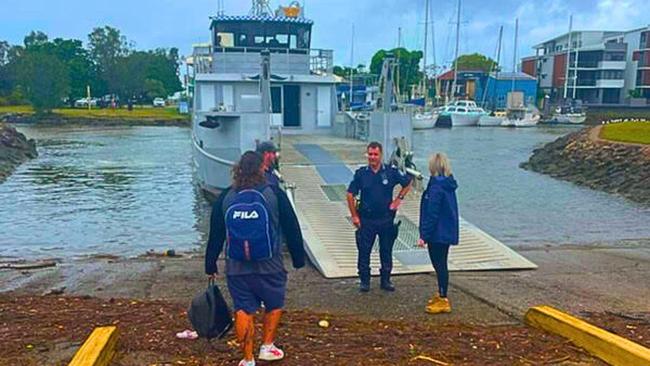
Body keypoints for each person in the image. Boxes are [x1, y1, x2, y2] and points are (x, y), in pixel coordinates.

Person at [205, 151, 305, 366]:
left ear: (238, 169)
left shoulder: (226, 196)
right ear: (262, 169)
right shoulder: (273, 194)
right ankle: (267, 346)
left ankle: (248, 358)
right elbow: (291, 226)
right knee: (274, 303)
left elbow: (216, 233)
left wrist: (210, 263)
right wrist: (298, 258)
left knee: (243, 309)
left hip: (237, 265)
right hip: (270, 263)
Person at [346, 141, 412, 292]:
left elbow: (408, 183)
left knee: (386, 250)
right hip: (366, 219)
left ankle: (386, 280)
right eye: (370, 154)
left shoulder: (390, 172)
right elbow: (350, 194)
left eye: (375, 154)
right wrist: (354, 216)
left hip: (386, 218)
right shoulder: (361, 174)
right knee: (364, 251)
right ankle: (364, 281)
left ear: (381, 155)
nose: (372, 157)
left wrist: (398, 199)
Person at [418, 153, 459, 314]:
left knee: (439, 264)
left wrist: (424, 235)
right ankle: (442, 294)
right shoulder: (448, 184)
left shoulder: (436, 186)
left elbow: (432, 212)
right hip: (446, 229)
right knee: (442, 263)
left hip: (438, 232)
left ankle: (443, 298)